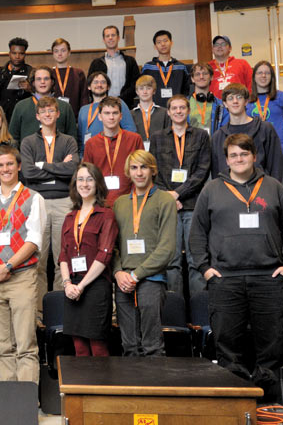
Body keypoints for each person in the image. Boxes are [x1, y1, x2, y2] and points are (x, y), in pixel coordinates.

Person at [190, 133, 283, 400]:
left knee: (272, 347)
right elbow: (197, 232)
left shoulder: (273, 187)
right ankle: (235, 408)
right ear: (226, 160)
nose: (239, 159)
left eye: (244, 154)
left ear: (254, 156)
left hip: (268, 278)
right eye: (234, 155)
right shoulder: (212, 189)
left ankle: (270, 409)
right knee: (227, 347)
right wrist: (204, 267)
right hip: (226, 280)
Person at [0, 145, 46, 382]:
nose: (5, 169)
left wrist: (8, 266)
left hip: (21, 276)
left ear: (18, 166)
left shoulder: (34, 199)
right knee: (2, 346)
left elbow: (34, 240)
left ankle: (25, 404)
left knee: (26, 345)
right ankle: (10, 401)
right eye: (0, 165)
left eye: (9, 164)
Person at [113, 150, 177, 357]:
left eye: (143, 167)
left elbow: (166, 248)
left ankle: (155, 389)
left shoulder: (164, 200)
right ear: (128, 172)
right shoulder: (119, 203)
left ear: (152, 170)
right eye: (134, 168)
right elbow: (112, 247)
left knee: (152, 346)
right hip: (123, 281)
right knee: (129, 345)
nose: (139, 173)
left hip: (151, 279)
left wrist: (136, 275)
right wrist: (118, 273)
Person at [149, 95, 211, 298]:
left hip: (193, 205)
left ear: (188, 110)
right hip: (168, 207)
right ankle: (175, 309)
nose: (178, 111)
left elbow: (202, 172)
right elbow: (152, 171)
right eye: (174, 108)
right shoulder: (157, 137)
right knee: (172, 260)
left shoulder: (201, 136)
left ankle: (199, 309)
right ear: (168, 112)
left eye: (182, 108)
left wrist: (178, 193)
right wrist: (169, 198)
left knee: (195, 260)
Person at [20, 96, 78, 303]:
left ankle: (59, 307)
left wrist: (42, 165)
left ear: (58, 114)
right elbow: (28, 172)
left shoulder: (68, 140)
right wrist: (59, 167)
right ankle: (39, 309)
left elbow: (73, 170)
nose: (47, 114)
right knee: (39, 259)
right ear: (37, 116)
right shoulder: (28, 142)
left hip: (64, 201)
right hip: (38, 203)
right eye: (43, 111)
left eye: (51, 111)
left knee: (63, 258)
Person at [59, 162, 118, 357]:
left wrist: (81, 286)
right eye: (80, 179)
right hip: (72, 288)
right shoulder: (69, 217)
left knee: (98, 347)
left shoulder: (106, 215)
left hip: (95, 286)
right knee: (79, 348)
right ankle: (82, 389)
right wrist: (68, 284)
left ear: (98, 183)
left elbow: (104, 254)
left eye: (90, 179)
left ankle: (100, 388)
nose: (84, 184)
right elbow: (63, 254)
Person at [211, 83, 283, 180]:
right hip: (229, 191)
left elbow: (276, 165)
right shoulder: (218, 136)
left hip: (261, 190)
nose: (235, 101)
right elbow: (216, 173)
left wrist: (272, 190)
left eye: (239, 97)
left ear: (246, 101)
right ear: (225, 103)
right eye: (230, 98)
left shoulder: (265, 129)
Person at [82, 96, 144, 207]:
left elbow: (142, 172)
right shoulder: (91, 144)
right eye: (107, 113)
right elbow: (88, 176)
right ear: (100, 117)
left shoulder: (134, 139)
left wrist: (136, 198)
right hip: (101, 203)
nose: (111, 117)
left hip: (130, 201)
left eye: (115, 113)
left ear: (121, 116)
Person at [247, 60, 283, 183]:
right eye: (260, 73)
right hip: (253, 154)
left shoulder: (282, 97)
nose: (263, 76)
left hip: (279, 152)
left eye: (267, 73)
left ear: (272, 77)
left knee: (278, 193)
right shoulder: (246, 99)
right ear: (254, 77)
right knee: (257, 194)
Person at [8, 66, 77, 145]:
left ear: (52, 82)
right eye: (38, 79)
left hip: (58, 156)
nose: (42, 82)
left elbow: (72, 137)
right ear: (33, 83)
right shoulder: (21, 106)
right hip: (28, 156)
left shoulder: (64, 107)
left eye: (46, 78)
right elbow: (13, 138)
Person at [77, 72, 136, 150]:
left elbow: (130, 129)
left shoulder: (118, 103)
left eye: (103, 82)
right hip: (90, 153)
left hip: (113, 151)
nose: (99, 85)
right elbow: (80, 139)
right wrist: (82, 156)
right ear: (89, 87)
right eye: (95, 82)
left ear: (108, 87)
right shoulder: (83, 110)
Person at [88, 25, 140, 109]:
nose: (110, 38)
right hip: (102, 106)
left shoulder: (130, 61)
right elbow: (91, 84)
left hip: (125, 105)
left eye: (113, 35)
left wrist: (121, 99)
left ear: (118, 38)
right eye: (107, 36)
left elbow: (136, 84)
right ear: (104, 40)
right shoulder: (96, 63)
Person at [140, 30, 190, 106]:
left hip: (177, 109)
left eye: (165, 41)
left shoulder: (181, 67)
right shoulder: (148, 67)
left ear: (171, 43)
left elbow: (187, 90)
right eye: (159, 42)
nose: (163, 44)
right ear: (155, 46)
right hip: (155, 109)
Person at [0, 37, 32, 123]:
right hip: (3, 117)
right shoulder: (0, 72)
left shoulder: (31, 72)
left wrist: (30, 89)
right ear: (9, 54)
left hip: (23, 117)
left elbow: (40, 96)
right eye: (14, 53)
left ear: (25, 55)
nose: (17, 57)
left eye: (21, 53)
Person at [50, 38, 88, 116]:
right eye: (56, 51)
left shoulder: (78, 73)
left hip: (74, 116)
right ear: (53, 53)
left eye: (63, 50)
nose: (59, 54)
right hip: (52, 117)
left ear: (69, 52)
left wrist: (82, 116)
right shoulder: (48, 74)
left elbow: (84, 98)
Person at [130, 75, 170, 150]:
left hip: (160, 150)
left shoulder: (164, 113)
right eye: (141, 89)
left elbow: (168, 136)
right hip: (138, 152)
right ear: (137, 92)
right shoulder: (131, 114)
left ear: (154, 91)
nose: (145, 92)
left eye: (148, 88)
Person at [188, 62, 225, 136]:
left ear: (211, 77)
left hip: (213, 145)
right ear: (192, 79)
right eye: (197, 74)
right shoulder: (184, 104)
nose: (201, 77)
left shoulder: (221, 105)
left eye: (205, 73)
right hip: (191, 145)